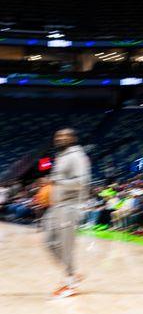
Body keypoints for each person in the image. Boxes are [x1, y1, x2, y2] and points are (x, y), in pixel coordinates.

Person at [44, 128, 91, 298]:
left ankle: (70, 284)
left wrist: (58, 181)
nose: (60, 138)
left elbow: (82, 182)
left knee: (66, 247)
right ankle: (72, 273)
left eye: (65, 136)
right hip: (57, 206)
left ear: (73, 138)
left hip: (70, 206)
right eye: (58, 136)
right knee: (49, 242)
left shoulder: (77, 156)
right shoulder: (61, 156)